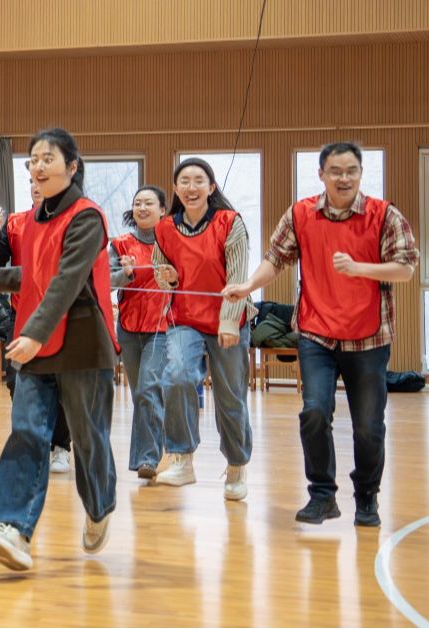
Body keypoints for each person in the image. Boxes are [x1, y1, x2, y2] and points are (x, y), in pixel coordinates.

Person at [224, 141, 419, 526]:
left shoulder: (384, 215)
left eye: (351, 171)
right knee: (314, 411)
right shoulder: (301, 214)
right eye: (335, 171)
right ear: (321, 175)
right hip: (316, 333)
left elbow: (406, 268)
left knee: (368, 426)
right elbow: (275, 258)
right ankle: (322, 495)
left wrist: (360, 269)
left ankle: (366, 498)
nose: (344, 178)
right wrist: (247, 287)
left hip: (369, 337)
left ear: (360, 173)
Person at [0, 128, 120, 569]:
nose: (39, 166)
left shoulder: (88, 218)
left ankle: (99, 506)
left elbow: (66, 281)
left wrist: (34, 333)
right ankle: (13, 528)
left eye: (48, 158)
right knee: (28, 432)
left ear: (72, 167)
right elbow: (32, 275)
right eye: (33, 160)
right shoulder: (30, 221)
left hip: (81, 345)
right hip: (35, 345)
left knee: (88, 440)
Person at [151, 158, 252, 501]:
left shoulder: (230, 222)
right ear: (175, 189)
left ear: (211, 187)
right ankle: (182, 458)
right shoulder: (165, 228)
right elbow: (160, 270)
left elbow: (238, 276)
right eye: (184, 181)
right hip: (185, 319)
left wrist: (229, 321)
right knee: (176, 376)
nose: (191, 187)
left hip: (228, 320)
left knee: (230, 399)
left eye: (198, 181)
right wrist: (168, 279)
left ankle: (236, 465)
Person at [0, 177, 73, 474]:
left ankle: (61, 446)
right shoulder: (14, 223)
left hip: (60, 314)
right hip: (21, 313)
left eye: (43, 182)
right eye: (33, 182)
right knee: (17, 380)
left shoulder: (70, 220)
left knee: (59, 381)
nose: (37, 187)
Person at [110, 185, 170, 480]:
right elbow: (106, 281)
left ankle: (148, 458)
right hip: (129, 329)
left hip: (163, 328)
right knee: (141, 395)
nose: (142, 208)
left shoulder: (173, 243)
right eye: (137, 203)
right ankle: (149, 451)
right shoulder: (119, 244)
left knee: (148, 389)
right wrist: (126, 274)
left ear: (163, 210)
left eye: (149, 203)